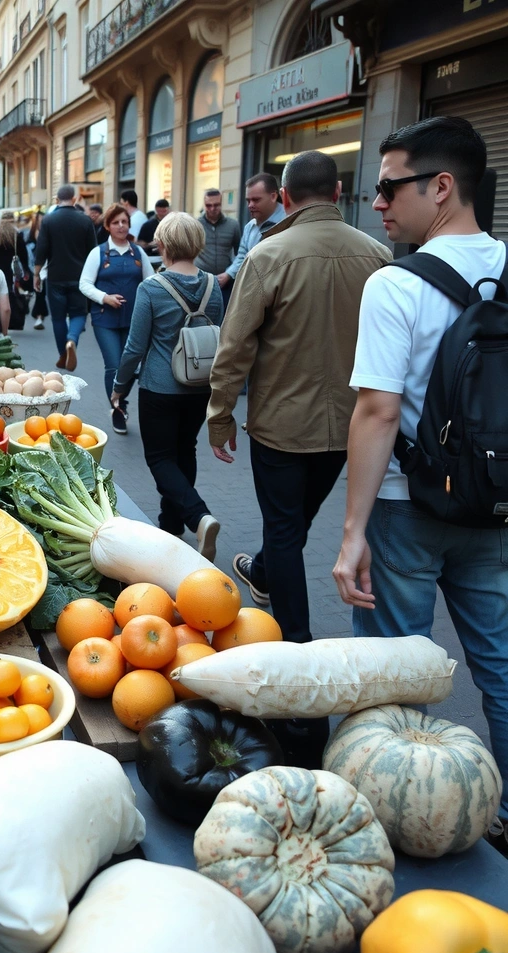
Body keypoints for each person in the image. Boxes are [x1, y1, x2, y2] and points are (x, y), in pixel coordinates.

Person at [331, 116, 508, 843]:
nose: (376, 203)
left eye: (388, 187)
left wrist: (351, 534)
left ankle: (394, 815)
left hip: (408, 506)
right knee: (498, 659)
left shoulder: (396, 284)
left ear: (441, 187)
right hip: (493, 505)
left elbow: (376, 410)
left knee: (394, 670)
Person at [206, 151, 391, 767]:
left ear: (284, 198)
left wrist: (220, 413)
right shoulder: (377, 254)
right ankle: (265, 569)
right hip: (352, 428)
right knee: (295, 525)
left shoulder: (268, 255)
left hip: (282, 427)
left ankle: (297, 647)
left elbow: (235, 345)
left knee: (286, 532)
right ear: (338, 191)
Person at [110, 213, 223, 557]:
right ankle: (171, 524)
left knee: (160, 458)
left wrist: (119, 387)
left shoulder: (151, 288)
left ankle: (198, 516)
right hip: (201, 385)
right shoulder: (213, 285)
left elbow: (134, 347)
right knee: (184, 450)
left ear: (164, 245)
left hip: (160, 387)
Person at [80, 202, 154, 435]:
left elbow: (151, 281)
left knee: (131, 367)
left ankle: (120, 399)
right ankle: (118, 408)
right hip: (105, 319)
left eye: (124, 222)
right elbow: (84, 284)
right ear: (108, 226)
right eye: (116, 222)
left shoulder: (138, 253)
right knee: (114, 365)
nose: (121, 226)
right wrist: (104, 298)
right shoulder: (98, 252)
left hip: (134, 319)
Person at [33, 184, 97, 372]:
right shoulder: (85, 221)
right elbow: (93, 251)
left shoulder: (48, 220)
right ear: (75, 199)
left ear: (56, 200)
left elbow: (41, 249)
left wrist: (37, 274)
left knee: (58, 318)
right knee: (78, 313)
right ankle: (72, 340)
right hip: (80, 276)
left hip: (55, 276)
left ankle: (63, 353)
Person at [219, 174, 285, 291]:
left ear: (273, 196)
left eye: (256, 200)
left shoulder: (289, 221)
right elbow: (242, 257)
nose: (250, 205)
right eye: (248, 200)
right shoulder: (250, 227)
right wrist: (228, 274)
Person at [194, 189, 241, 309]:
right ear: (204, 205)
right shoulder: (196, 225)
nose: (212, 209)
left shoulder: (233, 225)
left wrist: (230, 273)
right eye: (208, 205)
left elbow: (240, 253)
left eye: (216, 205)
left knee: (224, 316)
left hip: (225, 281)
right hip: (201, 281)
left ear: (221, 204)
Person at [0, 210, 32, 331]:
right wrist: (25, 270)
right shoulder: (17, 236)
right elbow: (24, 256)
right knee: (11, 294)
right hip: (11, 271)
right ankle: (12, 321)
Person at [25, 211, 48, 329]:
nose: (42, 222)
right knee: (38, 292)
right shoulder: (30, 235)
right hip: (32, 267)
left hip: (45, 268)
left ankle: (39, 317)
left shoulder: (48, 233)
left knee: (40, 293)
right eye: (40, 220)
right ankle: (38, 315)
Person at [137, 199, 170, 265]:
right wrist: (149, 244)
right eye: (161, 210)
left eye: (165, 210)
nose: (163, 213)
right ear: (157, 210)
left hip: (168, 257)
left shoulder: (171, 224)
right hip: (153, 257)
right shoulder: (148, 225)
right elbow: (139, 243)